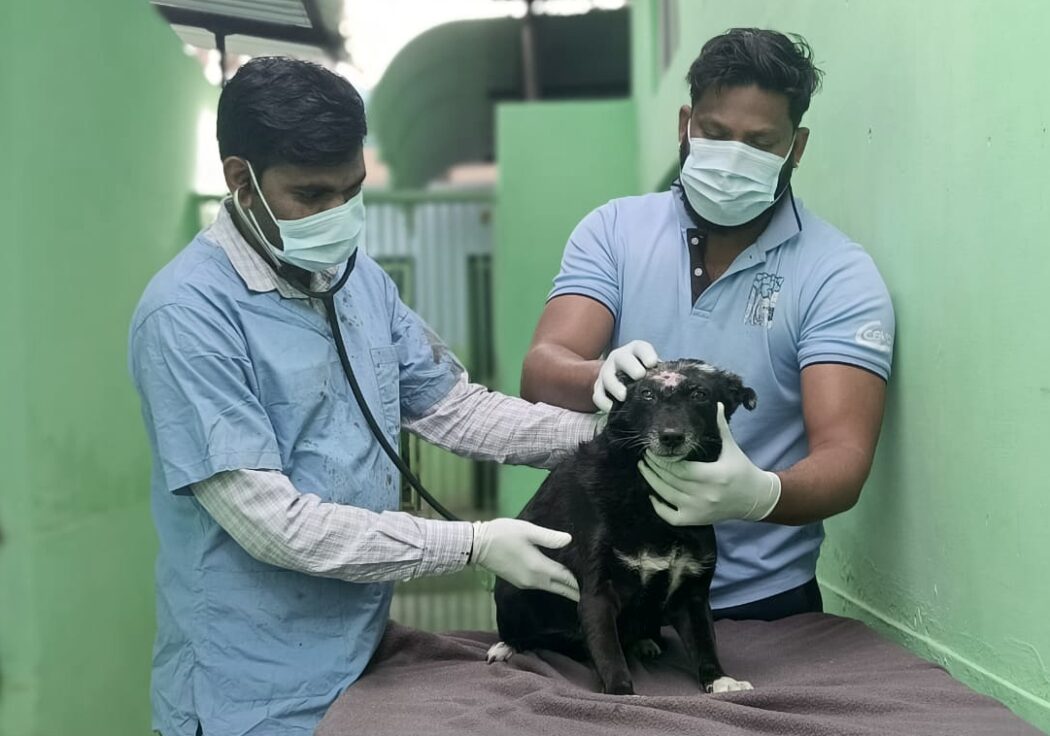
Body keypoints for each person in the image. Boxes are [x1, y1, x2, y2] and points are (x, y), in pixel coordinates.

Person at [129, 57, 598, 736]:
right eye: (312, 195)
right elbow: (275, 526)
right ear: (241, 181)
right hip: (249, 690)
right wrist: (470, 543)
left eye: (351, 191)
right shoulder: (186, 315)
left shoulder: (357, 280)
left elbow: (454, 408)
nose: (338, 216)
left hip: (364, 657)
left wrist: (613, 434)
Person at [521, 28, 894, 622]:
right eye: (716, 134)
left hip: (765, 608)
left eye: (760, 142)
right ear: (684, 125)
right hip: (617, 595)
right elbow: (543, 368)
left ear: (796, 148)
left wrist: (761, 494)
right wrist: (597, 375)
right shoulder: (614, 231)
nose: (732, 158)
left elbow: (844, 457)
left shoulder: (837, 274)